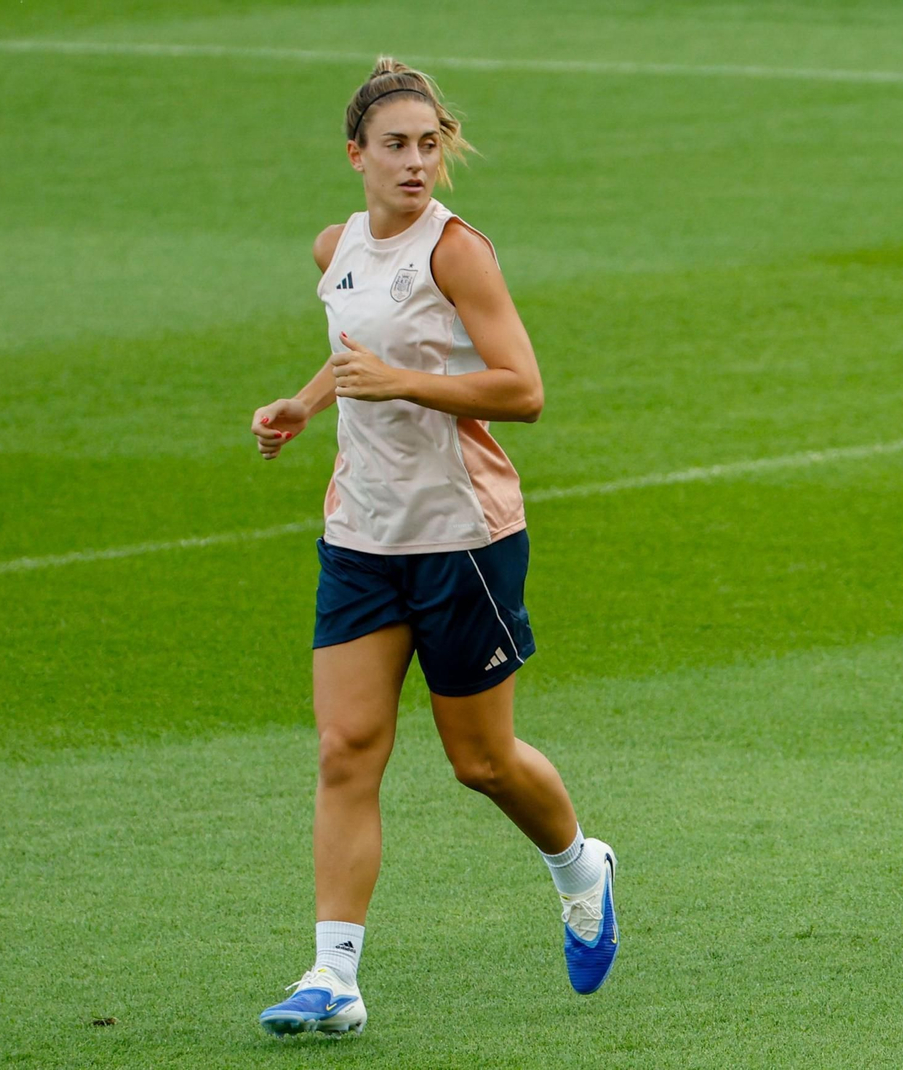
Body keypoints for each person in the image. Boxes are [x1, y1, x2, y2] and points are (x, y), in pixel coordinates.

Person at [249, 57, 618, 1037]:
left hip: (463, 537)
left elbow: (521, 388)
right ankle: (333, 978)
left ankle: (581, 864)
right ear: (355, 154)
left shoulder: (456, 252)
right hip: (360, 534)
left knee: (481, 760)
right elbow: (357, 347)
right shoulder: (335, 247)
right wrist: (306, 399)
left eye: (428, 144)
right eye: (396, 146)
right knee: (345, 748)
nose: (415, 162)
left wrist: (401, 385)